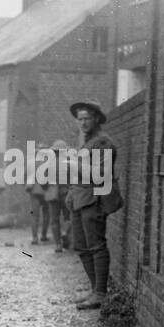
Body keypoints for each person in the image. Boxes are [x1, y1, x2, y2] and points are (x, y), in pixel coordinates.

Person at [67, 100, 120, 310]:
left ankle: (100, 293)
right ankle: (94, 290)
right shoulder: (87, 142)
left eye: (87, 118)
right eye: (80, 119)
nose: (83, 123)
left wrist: (73, 165)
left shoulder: (102, 142)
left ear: (96, 119)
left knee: (96, 245)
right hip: (80, 198)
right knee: (81, 246)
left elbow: (99, 174)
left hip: (94, 199)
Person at [46, 139, 69, 252]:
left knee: (54, 219)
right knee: (68, 217)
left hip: (53, 194)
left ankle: (58, 245)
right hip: (66, 193)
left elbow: (42, 180)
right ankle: (65, 233)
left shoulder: (49, 164)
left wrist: (49, 188)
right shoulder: (70, 163)